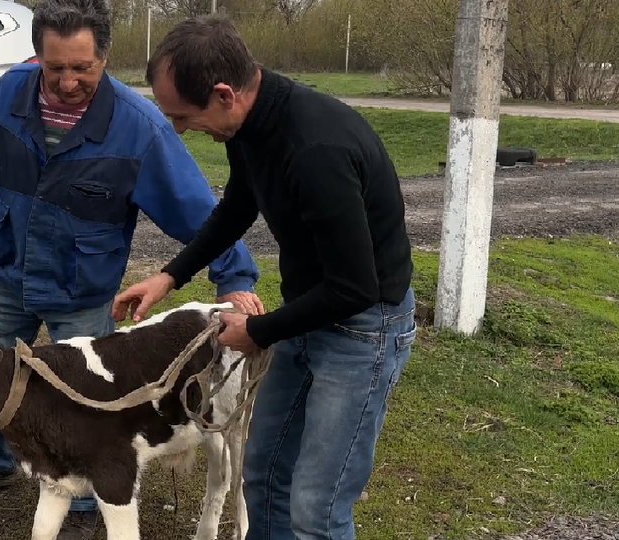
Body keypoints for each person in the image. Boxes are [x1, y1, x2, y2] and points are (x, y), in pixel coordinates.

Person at [0, 2, 264, 538]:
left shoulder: (138, 128)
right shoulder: (4, 98)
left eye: (82, 68)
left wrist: (234, 277)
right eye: (55, 67)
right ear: (37, 55)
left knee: (86, 398)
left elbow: (195, 209)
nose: (68, 81)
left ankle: (87, 502)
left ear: (105, 58)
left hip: (81, 286)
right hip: (8, 272)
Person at [112, 16, 417, 540]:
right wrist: (169, 277)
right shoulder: (251, 126)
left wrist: (256, 332)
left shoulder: (316, 152)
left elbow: (355, 289)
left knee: (317, 508)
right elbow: (237, 207)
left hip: (364, 328)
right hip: (308, 310)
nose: (181, 129)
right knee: (265, 473)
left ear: (225, 93)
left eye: (184, 116)